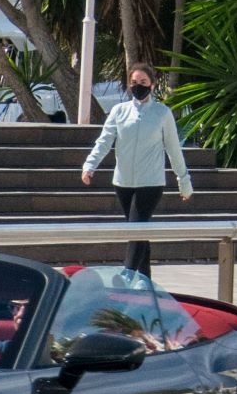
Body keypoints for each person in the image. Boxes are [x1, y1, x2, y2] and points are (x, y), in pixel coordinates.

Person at [81, 65, 193, 275]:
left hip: (150, 183)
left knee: (136, 230)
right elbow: (104, 141)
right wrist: (90, 165)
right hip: (123, 183)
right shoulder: (119, 111)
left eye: (143, 82)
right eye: (134, 82)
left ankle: (128, 275)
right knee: (140, 233)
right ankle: (145, 282)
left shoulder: (162, 113)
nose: (138, 86)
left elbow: (173, 149)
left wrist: (183, 180)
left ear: (152, 84)